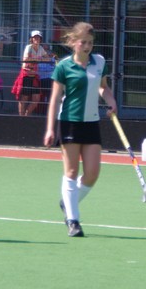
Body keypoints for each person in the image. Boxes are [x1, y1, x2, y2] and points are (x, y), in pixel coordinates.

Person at [43, 22, 118, 238]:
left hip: (91, 122)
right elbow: (55, 99)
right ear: (73, 42)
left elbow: (103, 87)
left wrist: (111, 102)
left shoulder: (99, 62)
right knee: (72, 171)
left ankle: (68, 201)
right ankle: (73, 220)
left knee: (92, 173)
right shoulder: (64, 66)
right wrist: (50, 129)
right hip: (70, 122)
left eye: (90, 43)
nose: (87, 47)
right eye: (83, 42)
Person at [13, 30, 53, 116]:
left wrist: (38, 59)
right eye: (35, 37)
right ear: (31, 39)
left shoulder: (41, 48)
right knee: (24, 98)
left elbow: (48, 59)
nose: (36, 39)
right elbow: (26, 59)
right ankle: (21, 118)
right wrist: (40, 59)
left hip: (34, 75)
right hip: (26, 75)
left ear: (40, 39)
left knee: (36, 99)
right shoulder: (29, 47)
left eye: (38, 37)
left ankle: (26, 116)